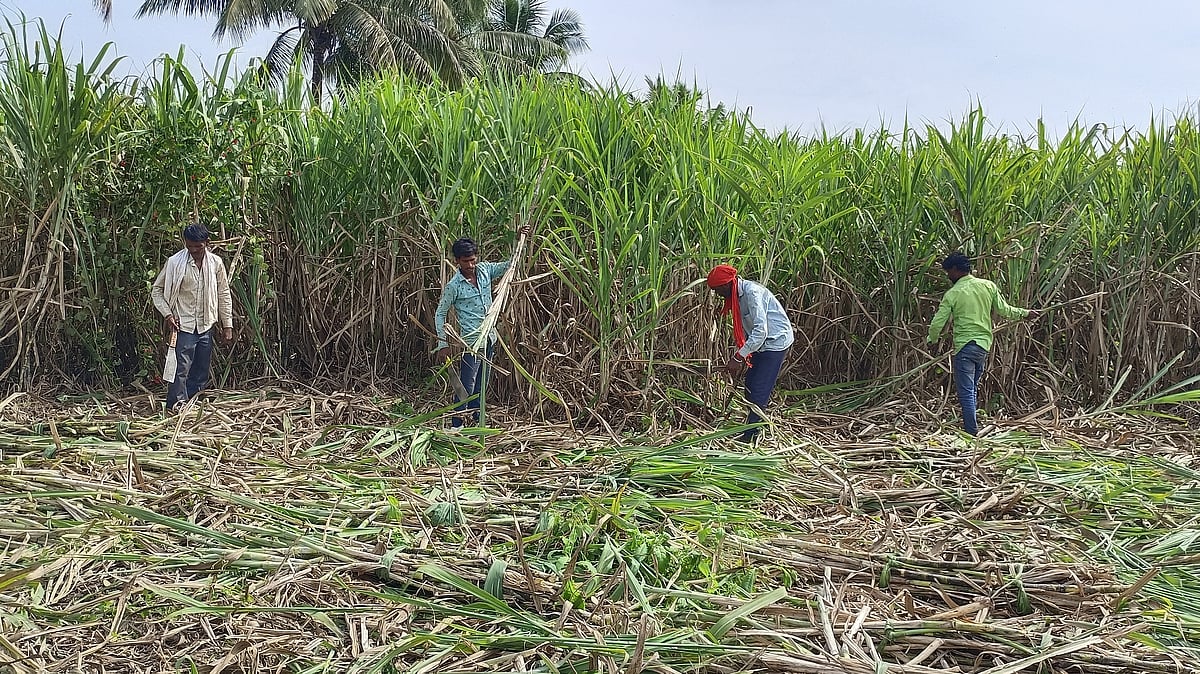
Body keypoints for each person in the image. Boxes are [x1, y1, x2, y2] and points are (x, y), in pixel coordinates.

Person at [927, 252, 1036, 436]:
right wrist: (1026, 313)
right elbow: (1005, 310)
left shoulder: (953, 293)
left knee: (966, 392)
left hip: (965, 347)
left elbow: (938, 322)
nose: (948, 276)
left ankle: (972, 433)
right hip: (983, 347)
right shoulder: (988, 286)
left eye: (948, 272)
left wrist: (932, 339)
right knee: (972, 389)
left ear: (955, 270)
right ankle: (972, 426)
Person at [434, 229, 527, 427]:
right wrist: (442, 342)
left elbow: (510, 266)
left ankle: (477, 420)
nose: (471, 265)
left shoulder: (485, 270)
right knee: (465, 386)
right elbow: (440, 313)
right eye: (466, 261)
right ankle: (456, 425)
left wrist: (518, 241)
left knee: (481, 384)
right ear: (457, 261)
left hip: (490, 338)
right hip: (471, 342)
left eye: (473, 260)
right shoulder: (454, 286)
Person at [705, 264, 795, 443]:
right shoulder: (735, 295)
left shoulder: (752, 293)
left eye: (717, 290)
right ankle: (753, 424)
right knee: (750, 386)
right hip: (759, 344)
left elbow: (761, 331)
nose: (717, 294)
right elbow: (748, 328)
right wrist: (744, 353)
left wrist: (739, 357)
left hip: (774, 342)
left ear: (726, 284)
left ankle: (751, 436)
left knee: (759, 389)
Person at [151, 224, 234, 410]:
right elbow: (156, 291)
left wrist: (227, 325)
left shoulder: (216, 263)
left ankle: (193, 402)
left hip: (206, 325)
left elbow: (223, 293)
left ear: (207, 243)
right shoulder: (174, 263)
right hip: (184, 325)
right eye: (190, 247)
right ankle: (177, 404)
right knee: (180, 369)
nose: (194, 251)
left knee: (201, 369)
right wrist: (168, 314)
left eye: (198, 246)